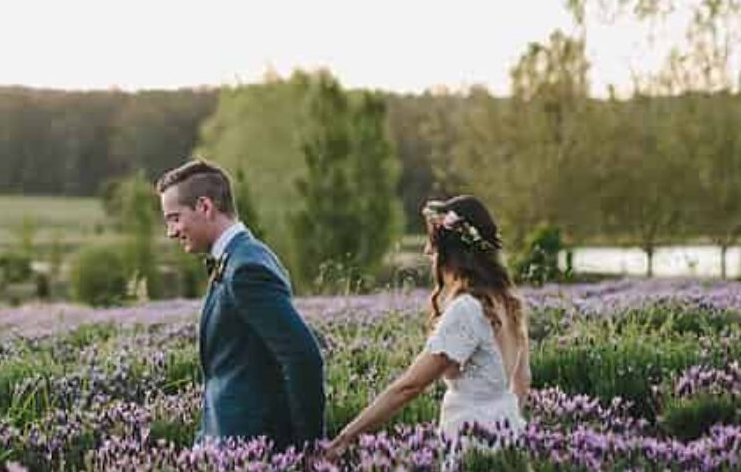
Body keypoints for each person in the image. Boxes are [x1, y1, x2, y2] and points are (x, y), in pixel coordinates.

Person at [325, 195, 529, 455]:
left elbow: (409, 387)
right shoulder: (509, 301)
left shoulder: (468, 309)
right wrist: (505, 424)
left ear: (452, 252)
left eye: (432, 243)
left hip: (472, 445)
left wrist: (345, 437)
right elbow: (522, 382)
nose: (427, 252)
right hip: (509, 439)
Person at [157, 158, 325, 449]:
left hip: (253, 452)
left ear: (205, 207)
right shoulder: (244, 257)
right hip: (226, 447)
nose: (171, 232)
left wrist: (308, 449)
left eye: (174, 218)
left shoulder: (246, 267)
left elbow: (303, 357)